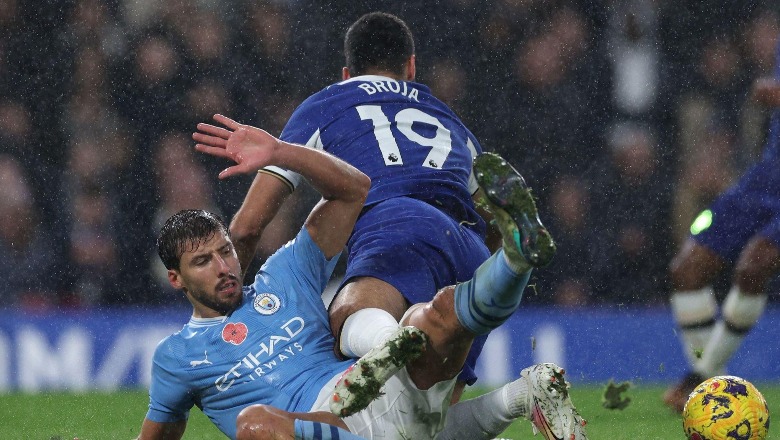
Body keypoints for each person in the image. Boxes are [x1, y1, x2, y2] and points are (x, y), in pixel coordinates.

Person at [136, 122, 586, 439]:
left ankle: (516, 259)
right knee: (258, 424)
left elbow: (353, 189)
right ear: (176, 279)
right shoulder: (178, 357)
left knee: (436, 313)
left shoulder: (282, 276)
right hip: (322, 427)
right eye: (203, 262)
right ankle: (522, 394)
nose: (223, 266)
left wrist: (281, 153)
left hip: (371, 388)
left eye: (225, 251)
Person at [226, 11, 556, 404]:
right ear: (411, 67)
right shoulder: (448, 118)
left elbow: (246, 228)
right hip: (468, 245)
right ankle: (520, 376)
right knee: (431, 418)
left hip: (394, 225)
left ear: (347, 73)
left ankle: (388, 339)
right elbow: (489, 214)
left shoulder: (327, 103)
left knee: (345, 325)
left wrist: (225, 315)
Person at [663, 41, 780, 412]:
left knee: (754, 265)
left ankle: (704, 380)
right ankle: (709, 380)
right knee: (687, 269)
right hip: (768, 175)